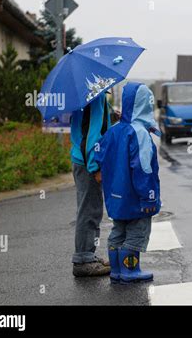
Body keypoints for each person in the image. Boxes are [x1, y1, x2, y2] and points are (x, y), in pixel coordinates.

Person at [94, 82, 161, 284]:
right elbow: (143, 169)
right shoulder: (140, 133)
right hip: (135, 197)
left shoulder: (114, 131)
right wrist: (149, 197)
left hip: (115, 196)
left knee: (118, 231)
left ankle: (116, 270)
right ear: (145, 105)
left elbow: (99, 155)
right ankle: (130, 271)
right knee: (137, 232)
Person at [70, 92, 111, 277]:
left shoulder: (83, 94)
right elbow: (91, 136)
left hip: (80, 159)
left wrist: (111, 116)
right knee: (90, 210)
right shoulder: (95, 95)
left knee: (89, 208)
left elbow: (85, 126)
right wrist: (95, 168)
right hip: (87, 162)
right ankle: (83, 260)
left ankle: (88, 255)